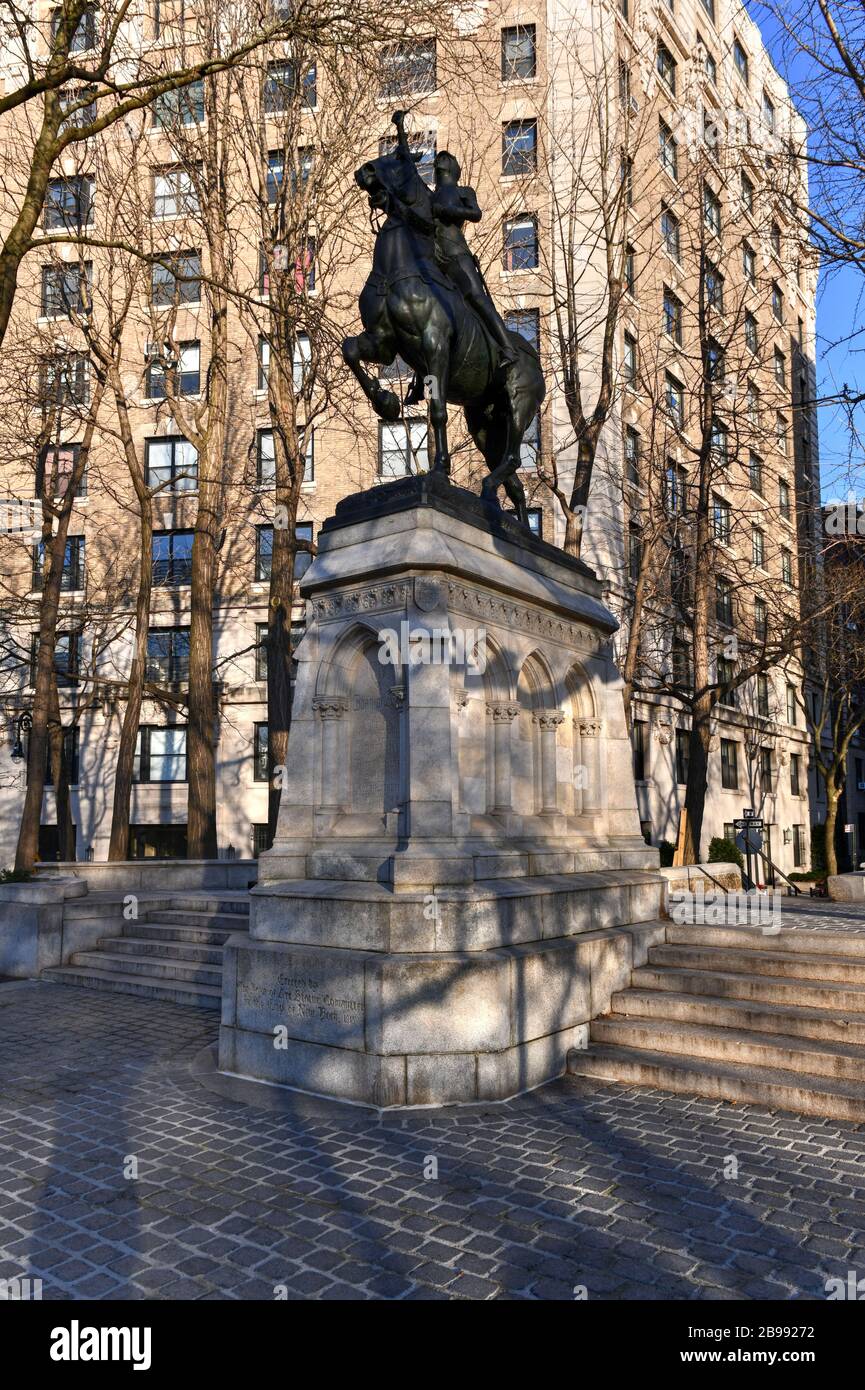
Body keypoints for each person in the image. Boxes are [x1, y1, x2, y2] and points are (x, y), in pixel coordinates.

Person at [389, 112, 518, 404]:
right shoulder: (430, 195)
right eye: (439, 161)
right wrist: (400, 130)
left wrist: (448, 212)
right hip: (435, 262)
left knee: (476, 297)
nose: (441, 162)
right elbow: (408, 166)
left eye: (445, 161)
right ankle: (423, 384)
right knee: (425, 316)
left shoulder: (462, 192)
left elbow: (476, 213)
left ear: (455, 169)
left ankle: (506, 348)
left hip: (457, 256)